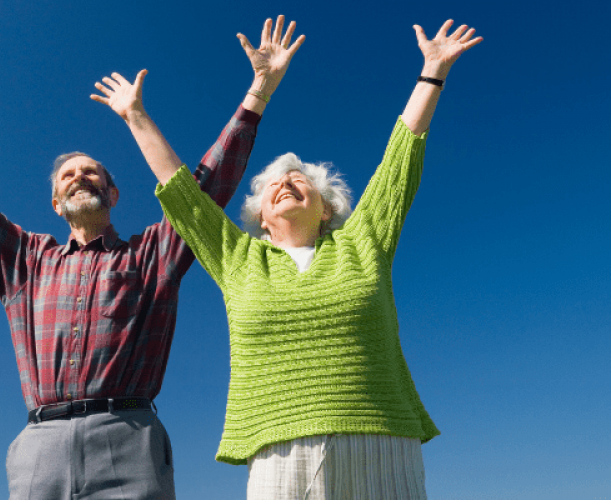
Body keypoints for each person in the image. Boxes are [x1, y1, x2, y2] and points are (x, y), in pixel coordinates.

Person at [0, 15, 304, 500]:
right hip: (41, 447)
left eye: (93, 173)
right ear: (55, 202)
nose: (80, 177)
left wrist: (258, 92)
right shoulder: (25, 261)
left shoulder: (153, 254)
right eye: (69, 175)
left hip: (128, 437)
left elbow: (204, 189)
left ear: (113, 194)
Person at [129, 19, 482, 500]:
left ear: (328, 207)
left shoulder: (362, 241)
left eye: (301, 180)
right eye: (273, 182)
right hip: (278, 450)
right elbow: (182, 195)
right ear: (261, 216)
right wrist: (136, 115)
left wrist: (433, 72)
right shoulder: (239, 258)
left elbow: (400, 159)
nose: (285, 182)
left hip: (381, 440)